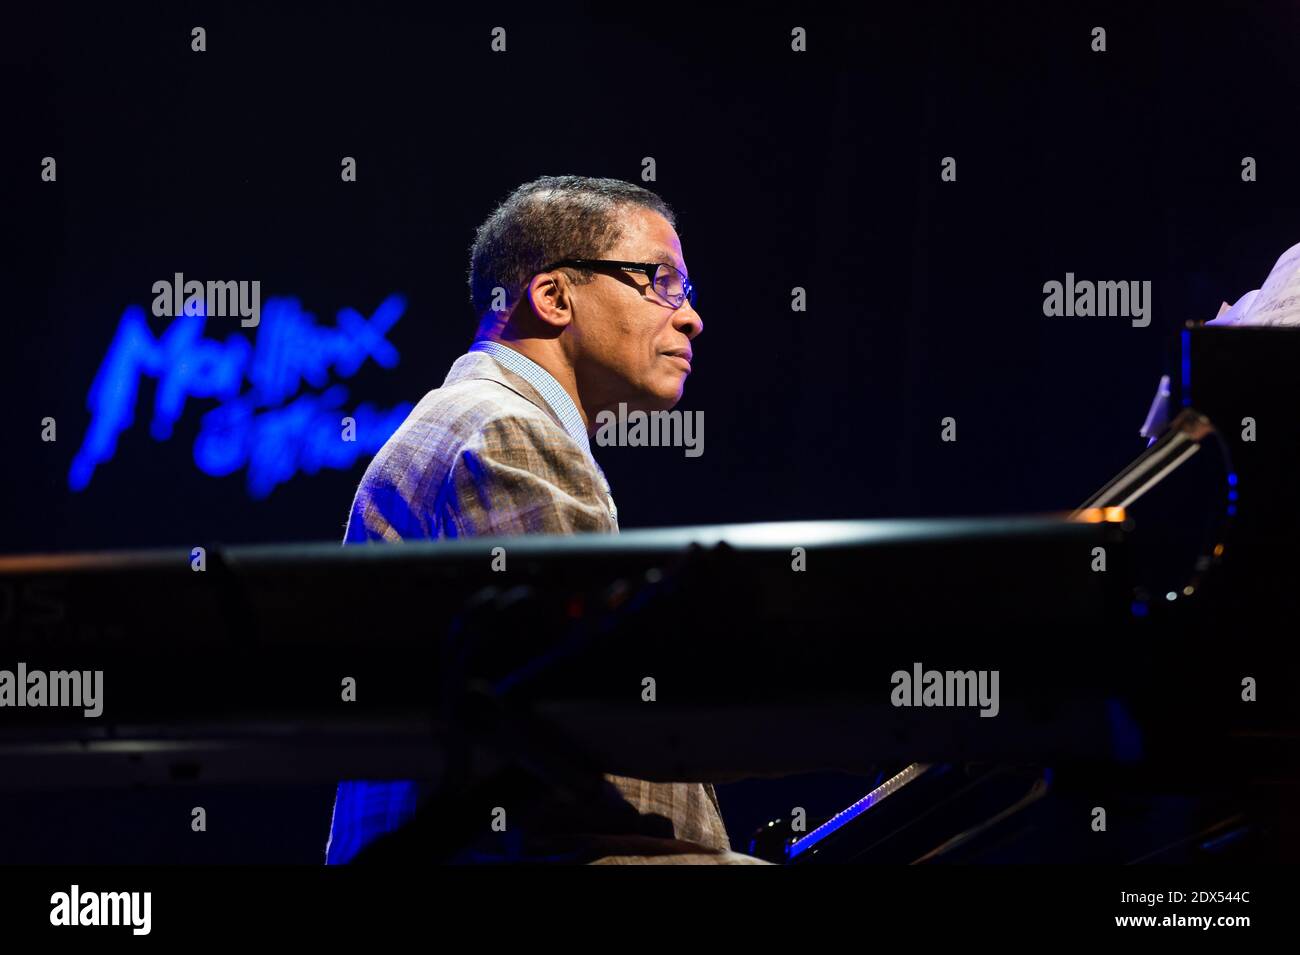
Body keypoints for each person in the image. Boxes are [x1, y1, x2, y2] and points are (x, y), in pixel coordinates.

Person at [326, 175, 764, 864]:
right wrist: (867, 717)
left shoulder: (477, 418)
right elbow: (598, 697)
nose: (690, 317)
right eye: (661, 281)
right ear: (555, 296)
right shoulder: (505, 429)